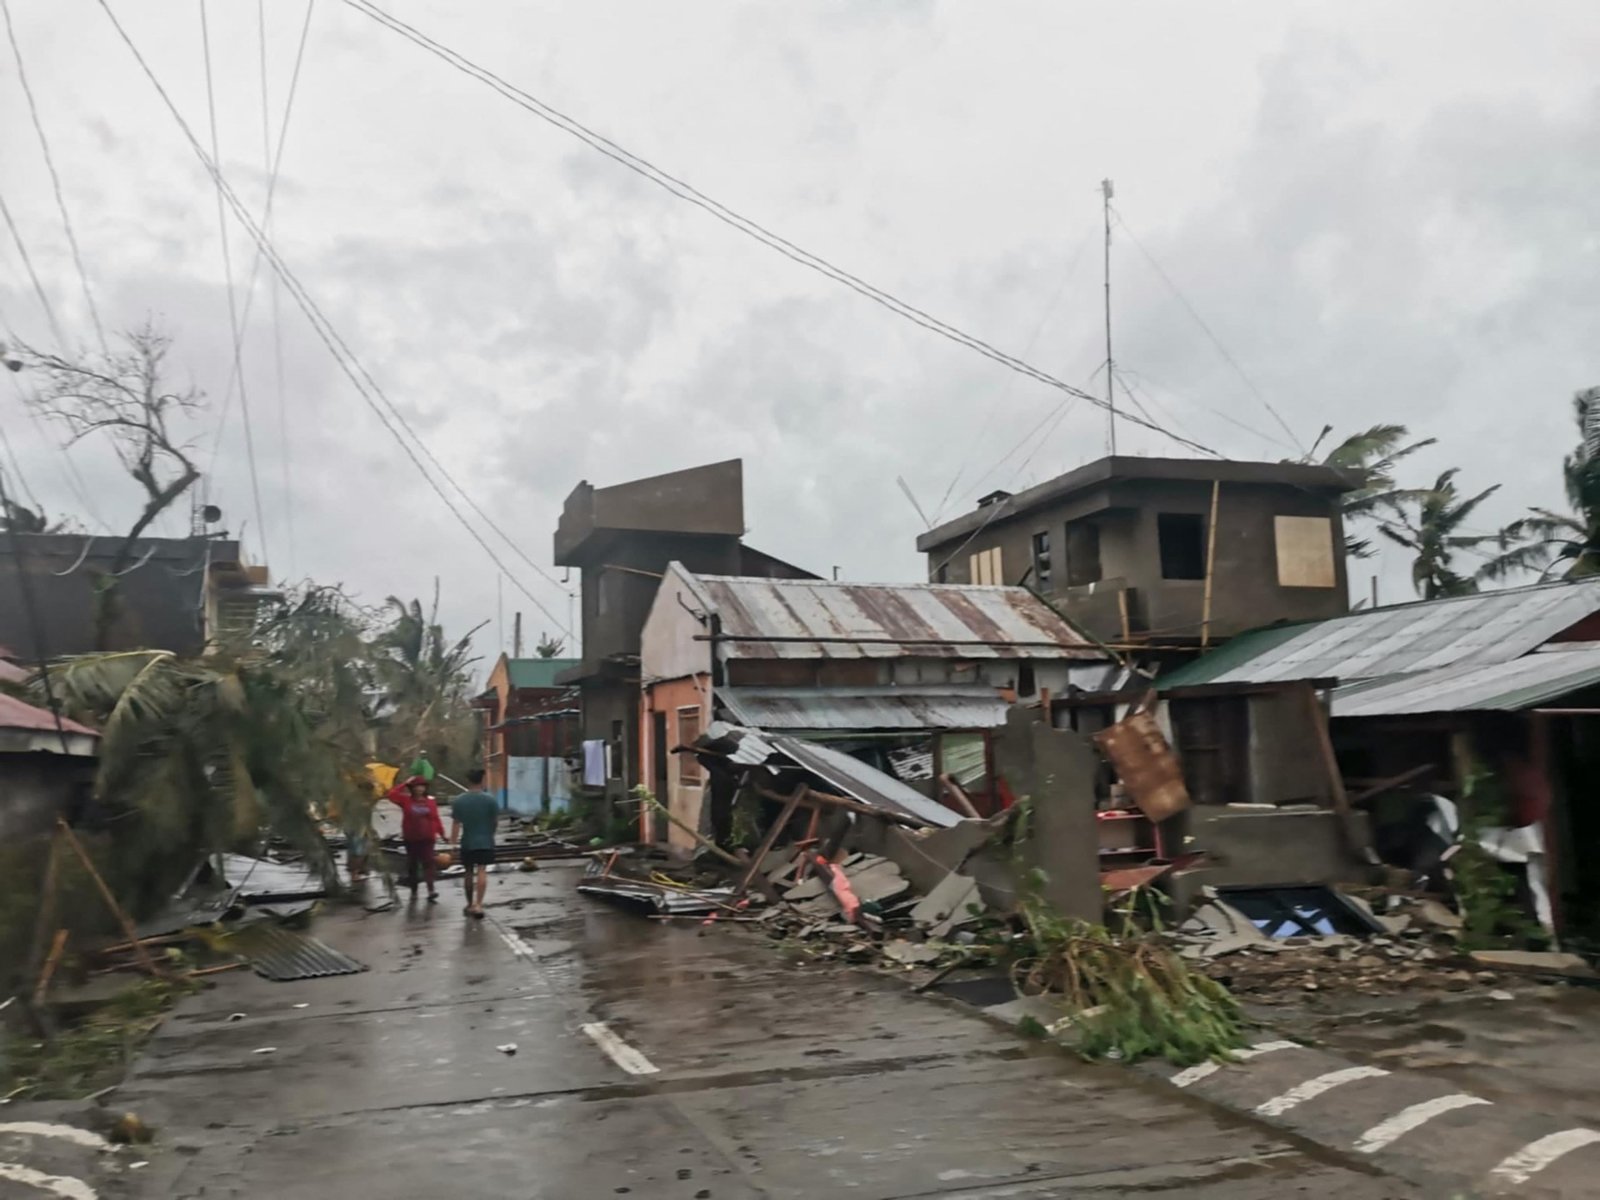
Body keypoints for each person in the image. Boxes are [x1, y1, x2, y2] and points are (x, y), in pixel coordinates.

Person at [387, 774, 444, 902]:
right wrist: (404, 783)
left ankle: (431, 890)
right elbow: (391, 795)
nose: (419, 789)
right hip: (411, 838)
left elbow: (436, 818)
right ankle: (414, 890)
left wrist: (442, 833)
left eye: (422, 786)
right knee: (412, 864)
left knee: (428, 863)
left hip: (428, 838)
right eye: (416, 787)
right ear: (412, 788)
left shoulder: (430, 801)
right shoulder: (405, 800)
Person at [451, 768, 500, 919]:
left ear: (468, 780)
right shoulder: (490, 800)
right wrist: (490, 834)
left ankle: (469, 903)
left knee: (468, 872)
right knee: (482, 870)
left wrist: (452, 844)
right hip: (485, 841)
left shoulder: (459, 800)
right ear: (482, 780)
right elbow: (494, 822)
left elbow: (456, 824)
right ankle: (479, 905)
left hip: (468, 842)